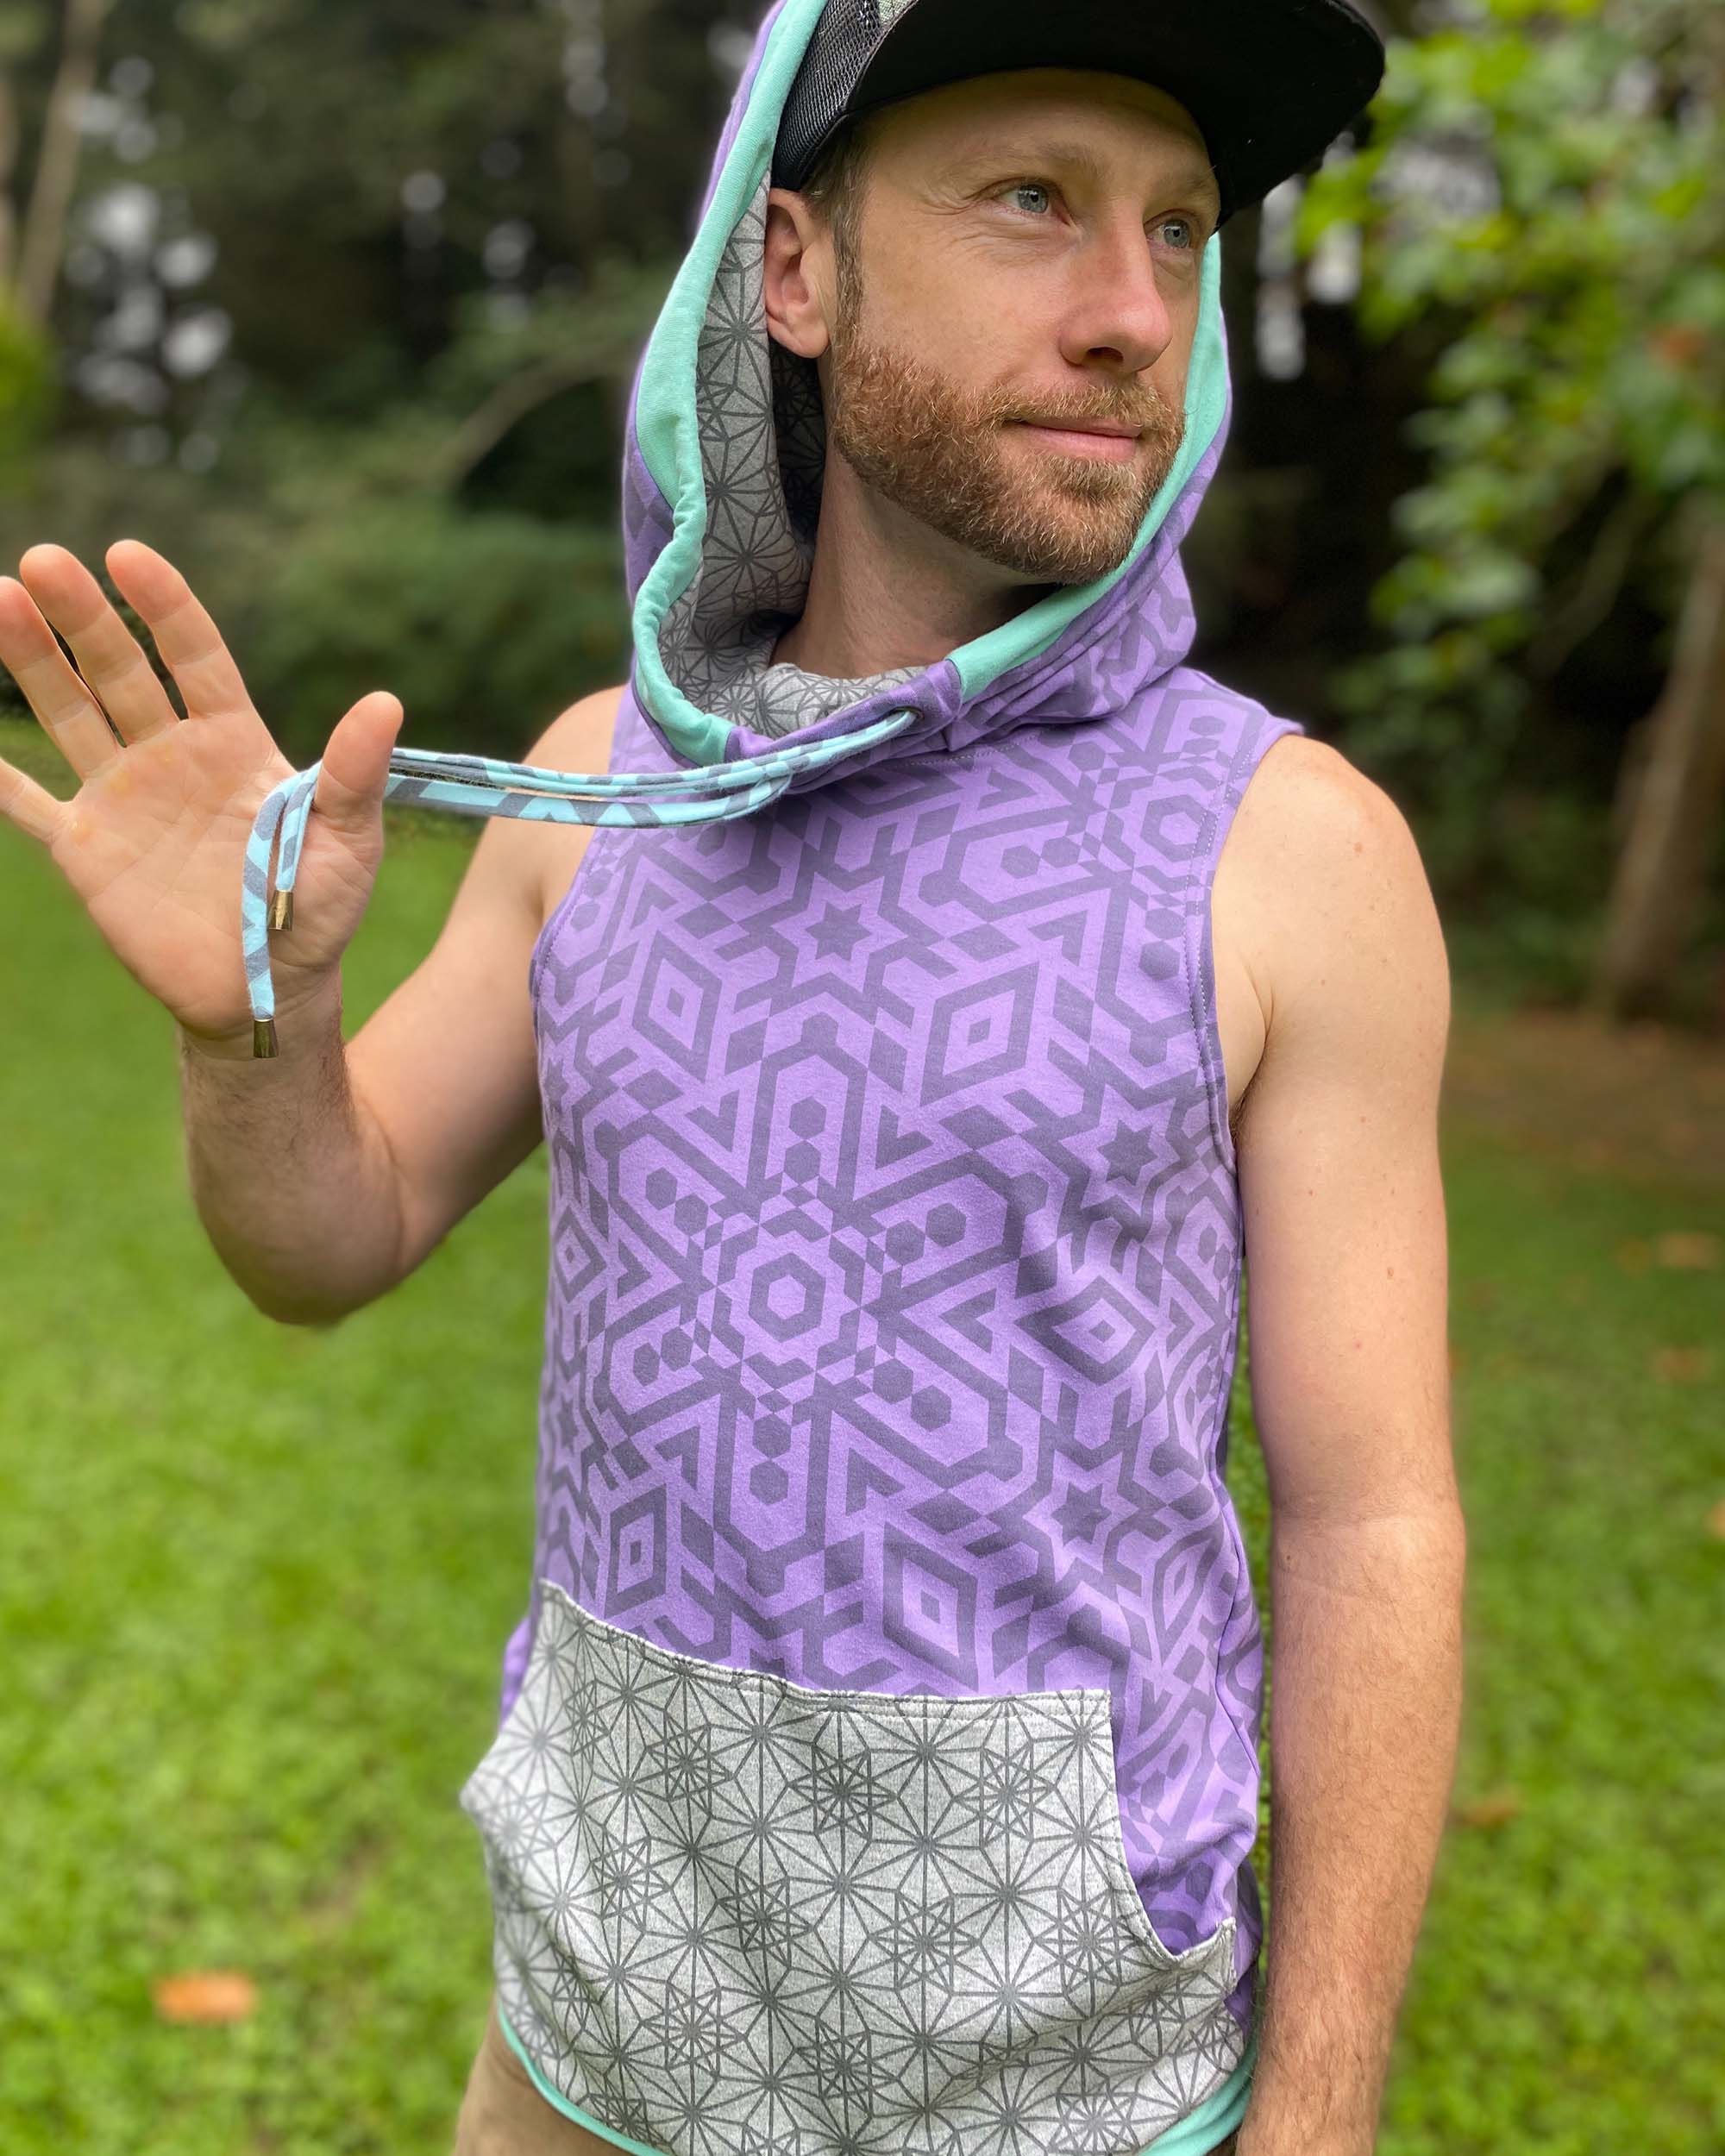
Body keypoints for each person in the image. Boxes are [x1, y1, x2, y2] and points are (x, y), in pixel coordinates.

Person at [0, 0, 1466, 2151]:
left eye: (1176, 230)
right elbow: (331, 1236)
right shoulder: (602, 786)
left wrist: (1318, 2111)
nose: (1131, 312)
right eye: (1033, 201)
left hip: (1063, 2086)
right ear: (790, 267)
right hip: (591, 2040)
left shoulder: (1291, 848)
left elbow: (1375, 1521)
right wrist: (260, 1027)